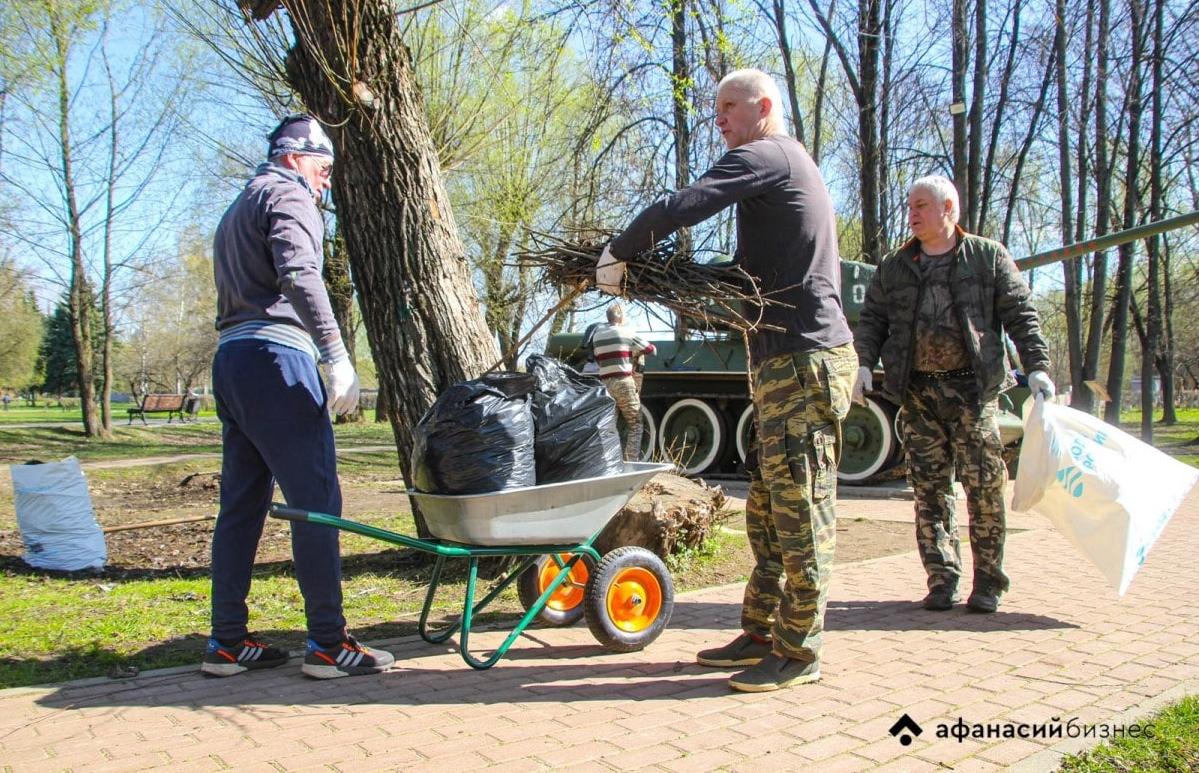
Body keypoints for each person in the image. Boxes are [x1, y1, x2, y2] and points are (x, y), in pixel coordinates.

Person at [598, 68, 855, 692]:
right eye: (716, 109)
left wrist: (621, 250)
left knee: (800, 511)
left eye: (728, 107)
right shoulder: (776, 170)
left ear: (764, 107)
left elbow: (687, 203)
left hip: (805, 360)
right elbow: (746, 277)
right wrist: (667, 282)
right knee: (767, 508)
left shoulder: (770, 154)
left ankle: (800, 651)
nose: (719, 119)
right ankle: (763, 632)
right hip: (777, 360)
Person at [203, 114, 394, 679]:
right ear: (294, 156)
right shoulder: (288, 196)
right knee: (317, 500)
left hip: (232, 361)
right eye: (324, 167)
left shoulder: (238, 207)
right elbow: (300, 273)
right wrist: (335, 353)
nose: (326, 181)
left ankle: (227, 641)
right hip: (276, 361)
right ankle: (329, 645)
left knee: (241, 505)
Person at [852, 174, 1053, 614]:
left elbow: (1022, 315)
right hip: (918, 394)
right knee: (930, 491)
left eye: (922, 205)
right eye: (910, 205)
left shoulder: (987, 257)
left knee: (984, 487)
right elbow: (872, 320)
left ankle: (989, 583)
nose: (913, 213)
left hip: (972, 392)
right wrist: (863, 362)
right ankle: (942, 579)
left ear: (949, 209)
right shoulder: (895, 265)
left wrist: (1037, 368)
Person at [589, 303, 656, 461]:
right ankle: (631, 462)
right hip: (623, 383)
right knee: (636, 424)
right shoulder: (626, 332)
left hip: (605, 385)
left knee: (609, 427)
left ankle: (610, 463)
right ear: (620, 317)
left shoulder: (597, 336)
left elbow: (598, 359)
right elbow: (652, 350)